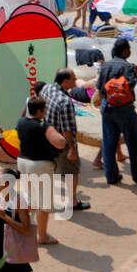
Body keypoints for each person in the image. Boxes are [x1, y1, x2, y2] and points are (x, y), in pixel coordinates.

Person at [97, 39, 137, 185]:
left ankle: (111, 176)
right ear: (125, 51)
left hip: (107, 107)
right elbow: (132, 86)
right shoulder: (128, 67)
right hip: (125, 109)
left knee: (109, 142)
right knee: (133, 142)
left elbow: (100, 89)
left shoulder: (105, 66)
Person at [16, 96, 66, 245]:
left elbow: (24, 113)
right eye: (44, 109)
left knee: (31, 198)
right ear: (39, 111)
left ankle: (20, 225)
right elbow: (60, 142)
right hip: (39, 165)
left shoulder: (21, 122)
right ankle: (42, 236)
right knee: (43, 204)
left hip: (23, 162)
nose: (45, 112)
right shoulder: (42, 126)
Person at [44, 69, 87, 211]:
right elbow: (67, 129)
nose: (76, 80)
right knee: (72, 171)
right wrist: (73, 149)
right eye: (74, 78)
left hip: (48, 137)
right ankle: (72, 202)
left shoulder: (47, 89)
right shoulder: (65, 102)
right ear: (65, 81)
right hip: (62, 142)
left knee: (53, 168)